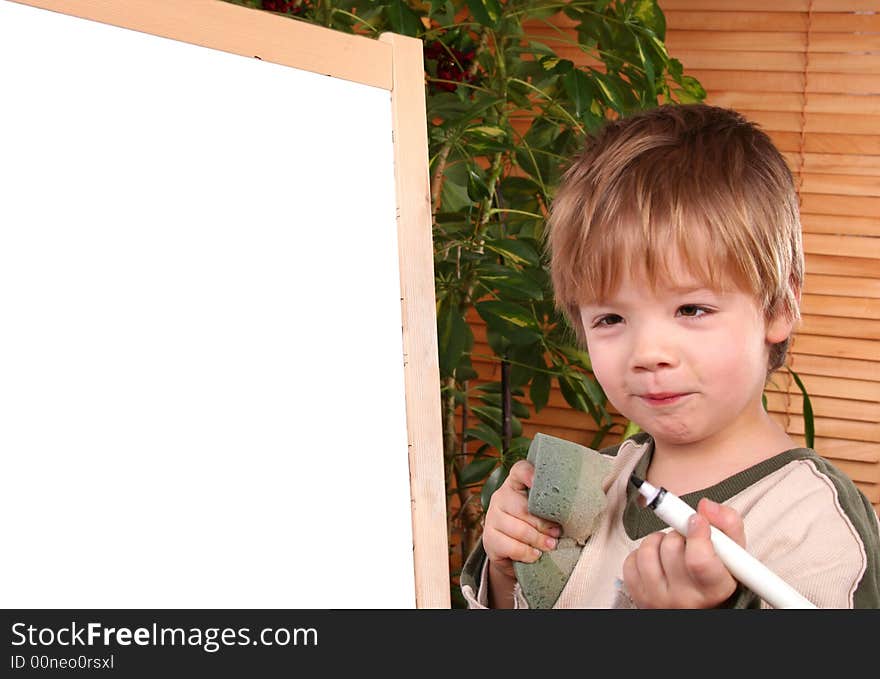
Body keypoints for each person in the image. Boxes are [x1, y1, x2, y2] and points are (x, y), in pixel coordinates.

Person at [460, 103, 880, 609]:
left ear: (778, 306)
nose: (648, 353)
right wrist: (511, 572)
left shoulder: (814, 521)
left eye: (692, 308)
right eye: (611, 319)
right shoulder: (603, 481)